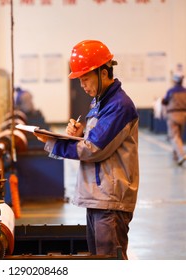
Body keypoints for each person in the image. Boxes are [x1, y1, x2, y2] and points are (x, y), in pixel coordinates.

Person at [34, 40, 139, 260]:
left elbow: (94, 149)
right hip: (99, 197)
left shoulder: (119, 105)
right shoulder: (100, 102)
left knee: (109, 263)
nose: (82, 85)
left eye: (85, 78)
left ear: (103, 73)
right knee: (98, 261)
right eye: (79, 80)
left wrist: (54, 142)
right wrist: (80, 134)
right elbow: (96, 140)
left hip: (110, 200)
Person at [162, 64, 186, 166]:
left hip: (173, 115)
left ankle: (181, 155)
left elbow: (164, 102)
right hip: (183, 115)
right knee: (179, 136)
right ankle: (176, 156)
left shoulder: (171, 91)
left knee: (174, 136)